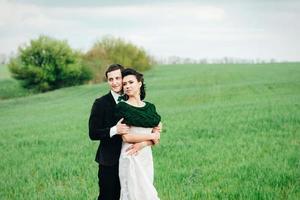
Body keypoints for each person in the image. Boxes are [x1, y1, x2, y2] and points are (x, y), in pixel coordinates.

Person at [115, 68, 161, 200]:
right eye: (124, 84)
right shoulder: (122, 107)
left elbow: (157, 137)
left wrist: (143, 143)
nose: (127, 86)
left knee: (147, 192)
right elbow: (127, 137)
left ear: (139, 83)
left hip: (145, 156)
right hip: (130, 155)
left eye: (131, 82)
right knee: (135, 194)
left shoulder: (150, 108)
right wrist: (152, 136)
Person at [88, 64, 129, 200]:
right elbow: (93, 133)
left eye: (118, 78)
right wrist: (115, 130)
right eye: (111, 79)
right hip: (109, 162)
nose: (115, 82)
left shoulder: (132, 99)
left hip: (130, 160)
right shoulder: (100, 103)